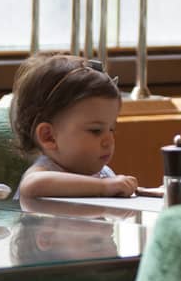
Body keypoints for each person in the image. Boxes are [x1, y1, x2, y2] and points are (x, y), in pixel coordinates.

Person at [10, 53, 141, 198]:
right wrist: (105, 187)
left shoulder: (104, 174)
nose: (109, 141)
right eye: (96, 131)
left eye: (111, 129)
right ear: (49, 137)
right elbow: (32, 185)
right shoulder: (44, 172)